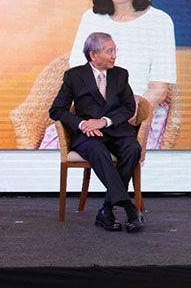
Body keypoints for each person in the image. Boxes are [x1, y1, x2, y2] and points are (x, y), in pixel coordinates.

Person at [39, 0, 177, 150]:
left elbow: (159, 89)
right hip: (91, 110)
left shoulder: (160, 21)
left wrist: (126, 112)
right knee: (52, 157)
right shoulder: (90, 18)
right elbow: (79, 75)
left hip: (138, 113)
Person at [49, 32, 145, 233]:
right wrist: (82, 124)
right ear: (93, 54)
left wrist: (104, 121)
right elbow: (56, 110)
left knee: (133, 148)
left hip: (116, 130)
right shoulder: (74, 76)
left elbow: (129, 107)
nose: (114, 55)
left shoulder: (121, 74)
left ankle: (106, 210)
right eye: (110, 51)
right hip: (88, 136)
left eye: (115, 50)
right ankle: (129, 208)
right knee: (98, 152)